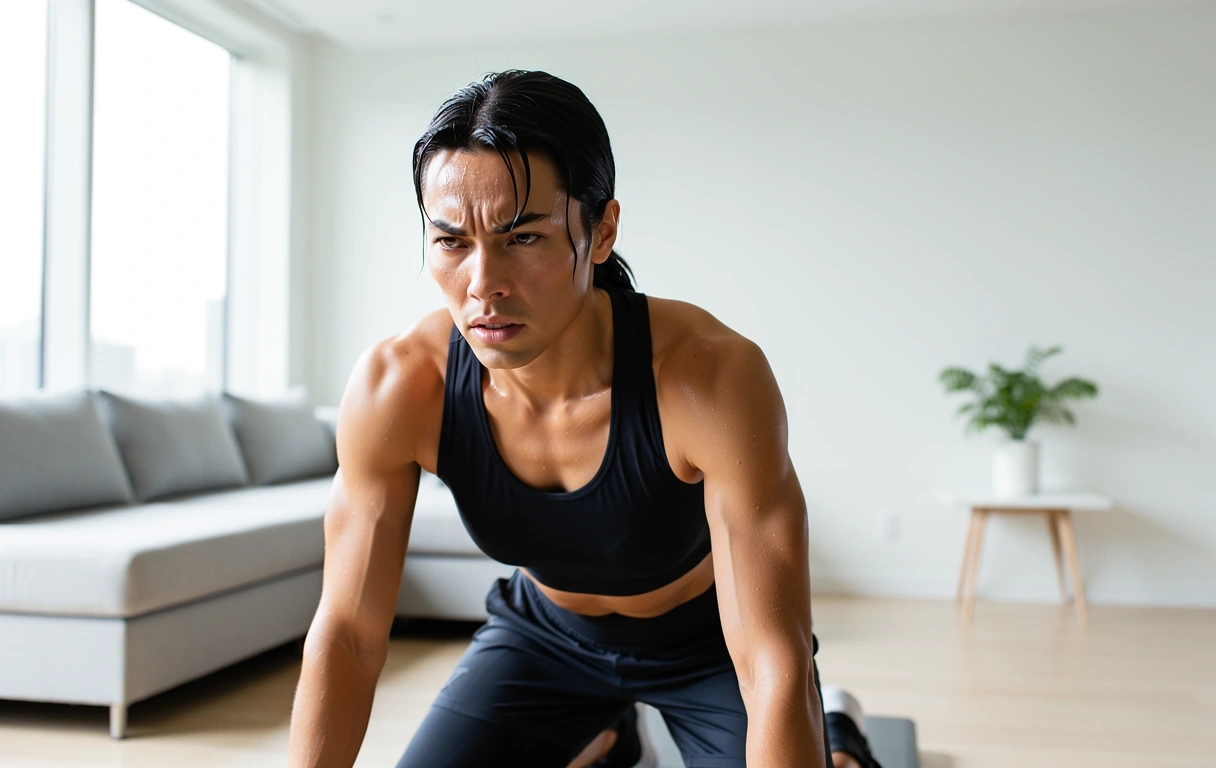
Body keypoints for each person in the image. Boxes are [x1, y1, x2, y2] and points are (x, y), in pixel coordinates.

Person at [286, 69, 881, 768]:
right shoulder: (398, 386)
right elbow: (349, 635)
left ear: (601, 232)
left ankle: (841, 731)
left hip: (710, 647)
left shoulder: (709, 377)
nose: (483, 285)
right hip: (542, 640)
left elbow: (770, 658)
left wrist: (801, 715)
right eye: (451, 242)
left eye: (524, 238)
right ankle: (602, 738)